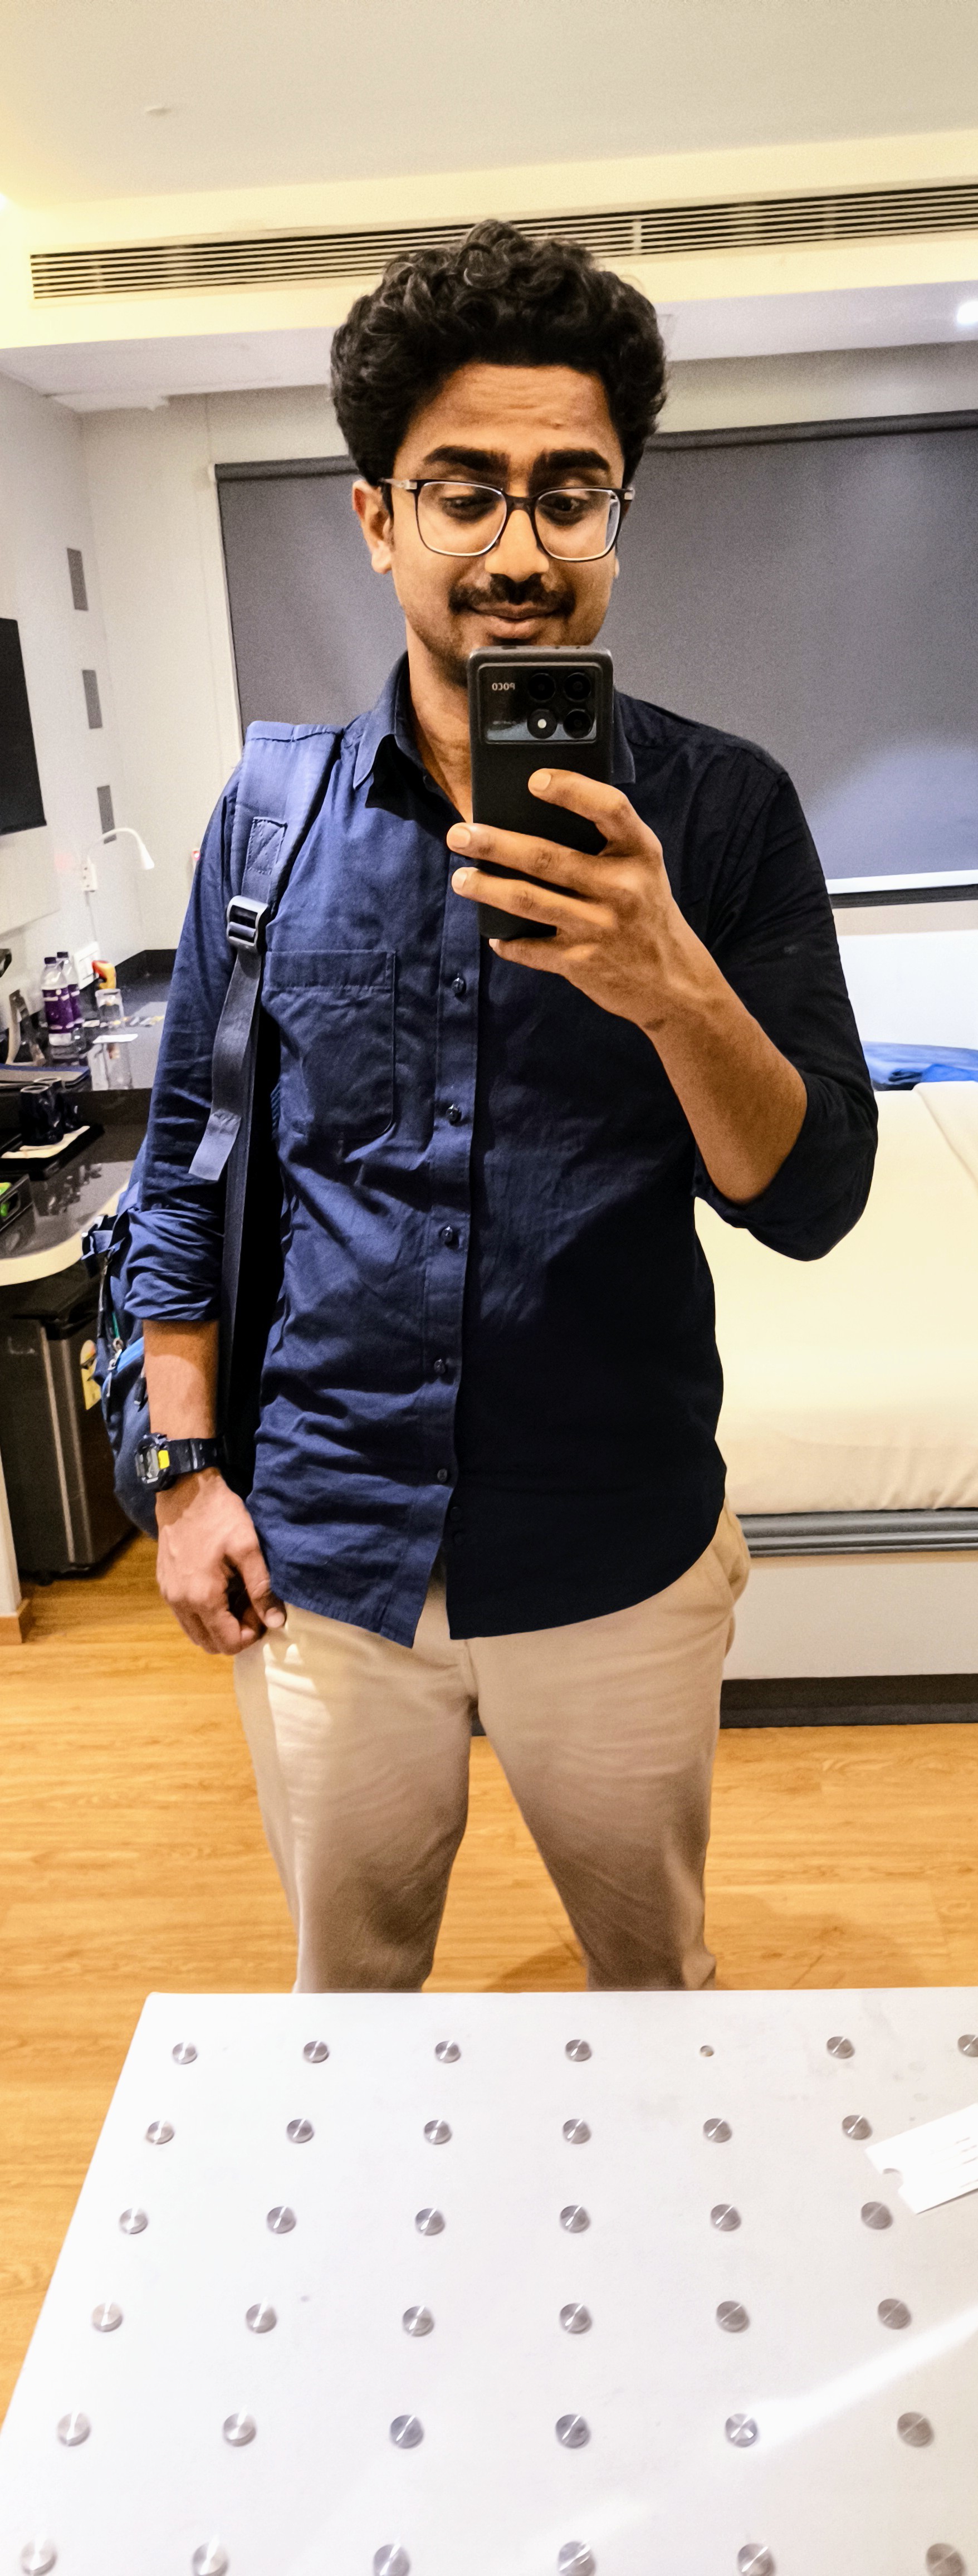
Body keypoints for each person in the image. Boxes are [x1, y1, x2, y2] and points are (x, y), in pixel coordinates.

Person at [130, 222, 877, 1994]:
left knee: (655, 1990)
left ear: (618, 514)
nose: (519, 550)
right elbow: (186, 1162)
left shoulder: (724, 812)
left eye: (569, 494)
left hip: (614, 1552)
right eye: (463, 492)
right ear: (376, 518)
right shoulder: (270, 815)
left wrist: (672, 982)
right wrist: (180, 1476)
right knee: (345, 2003)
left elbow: (808, 1197)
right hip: (321, 1552)